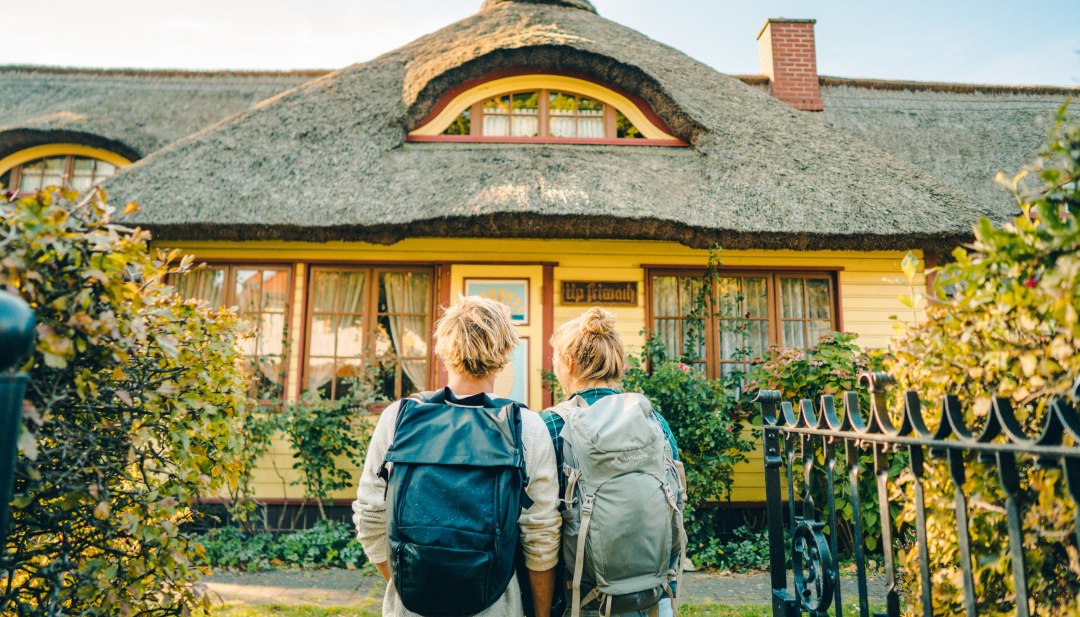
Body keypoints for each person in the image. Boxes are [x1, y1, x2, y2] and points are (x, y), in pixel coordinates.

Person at [353, 295, 560, 617]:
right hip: (496, 603)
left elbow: (369, 515)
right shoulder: (525, 427)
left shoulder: (399, 418)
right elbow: (541, 535)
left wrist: (407, 582)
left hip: (410, 604)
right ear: (505, 352)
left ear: (443, 349)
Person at [540, 307, 683, 617]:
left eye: (555, 360)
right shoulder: (652, 420)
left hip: (578, 599)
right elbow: (677, 498)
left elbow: (536, 522)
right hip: (649, 596)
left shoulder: (551, 426)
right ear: (619, 363)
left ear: (570, 363)